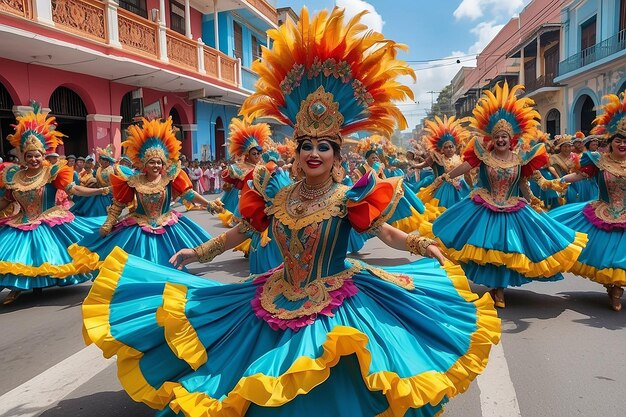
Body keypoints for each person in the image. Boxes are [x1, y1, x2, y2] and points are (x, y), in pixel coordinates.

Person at [82, 8, 499, 416]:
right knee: (238, 368)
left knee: (339, 373)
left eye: (324, 146)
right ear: (296, 151)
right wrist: (201, 252)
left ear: (337, 154)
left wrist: (422, 244)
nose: (314, 153)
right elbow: (242, 232)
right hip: (277, 291)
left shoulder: (349, 196)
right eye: (306, 145)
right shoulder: (275, 190)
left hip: (336, 293)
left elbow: (384, 232)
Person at [429, 83, 587, 308]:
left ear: (511, 137)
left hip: (513, 207)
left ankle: (500, 288)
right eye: (497, 136)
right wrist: (444, 178)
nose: (501, 140)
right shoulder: (483, 155)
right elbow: (465, 166)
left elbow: (524, 181)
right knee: (488, 248)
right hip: (485, 204)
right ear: (492, 138)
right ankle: (496, 289)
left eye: (504, 136)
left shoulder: (519, 159)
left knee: (508, 249)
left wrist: (538, 193)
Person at [69, 117, 220, 273]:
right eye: (152, 162)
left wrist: (208, 204)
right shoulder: (133, 181)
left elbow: (189, 194)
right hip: (140, 227)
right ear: (144, 164)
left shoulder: (170, 177)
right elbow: (118, 205)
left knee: (168, 265)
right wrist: (108, 224)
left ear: (163, 163)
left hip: (165, 224)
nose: (156, 166)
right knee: (138, 267)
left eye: (159, 162)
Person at [0, 106, 113, 304]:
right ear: (23, 157)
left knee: (57, 254)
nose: (34, 159)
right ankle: (18, 287)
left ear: (43, 155)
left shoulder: (52, 172)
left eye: (37, 155)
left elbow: (74, 189)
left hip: (49, 220)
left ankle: (37, 284)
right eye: (29, 155)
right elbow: (6, 201)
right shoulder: (13, 176)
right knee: (13, 254)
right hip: (22, 221)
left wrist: (100, 191)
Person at [549, 91, 626, 311]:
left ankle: (617, 288)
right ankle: (614, 288)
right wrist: (559, 181)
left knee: (620, 255)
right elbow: (581, 175)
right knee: (605, 254)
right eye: (618, 141)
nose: (622, 145)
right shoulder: (599, 161)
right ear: (610, 143)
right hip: (604, 211)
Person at [413, 116, 471, 209]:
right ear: (442, 149)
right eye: (446, 147)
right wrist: (415, 165)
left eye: (451, 146)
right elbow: (425, 164)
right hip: (446, 188)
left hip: (462, 186)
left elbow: (468, 172)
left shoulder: (460, 158)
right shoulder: (438, 158)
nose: (449, 149)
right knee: (445, 208)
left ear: (455, 147)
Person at [69, 146, 115, 217]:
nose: (99, 161)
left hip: (107, 194)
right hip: (96, 191)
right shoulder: (99, 169)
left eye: (101, 159)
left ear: (107, 161)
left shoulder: (111, 170)